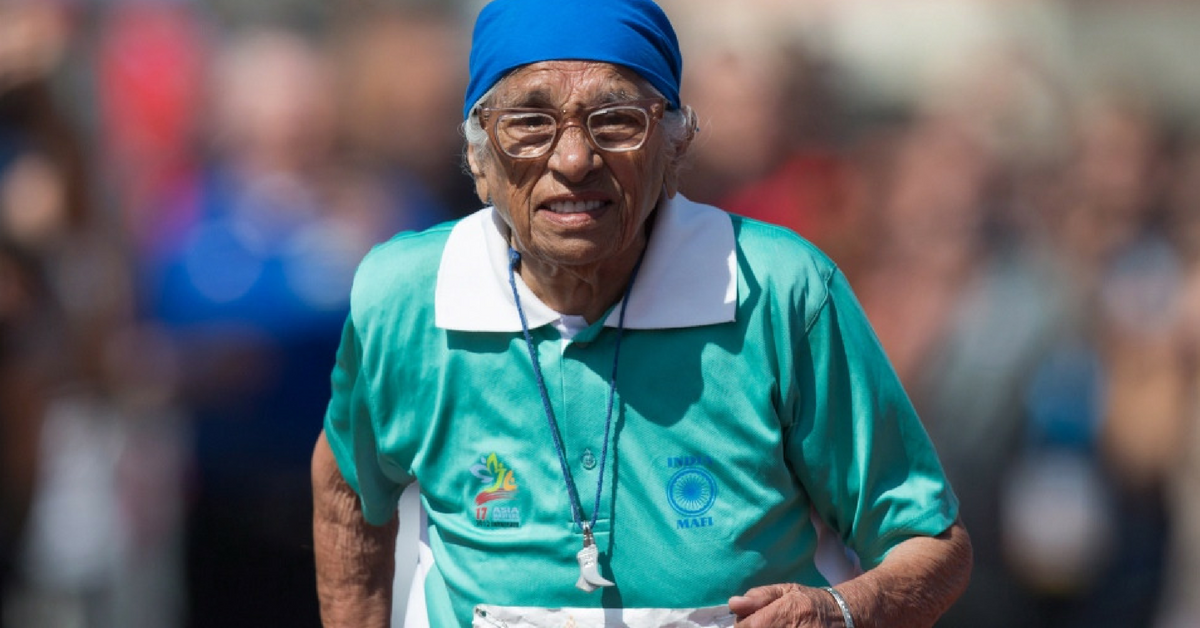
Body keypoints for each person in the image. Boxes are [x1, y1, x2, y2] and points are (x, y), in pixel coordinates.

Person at [311, 0, 972, 626]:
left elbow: (932, 546)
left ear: (675, 148)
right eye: (530, 122)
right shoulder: (406, 297)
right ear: (480, 161)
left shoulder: (778, 293)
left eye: (617, 119)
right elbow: (346, 498)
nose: (573, 160)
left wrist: (840, 612)